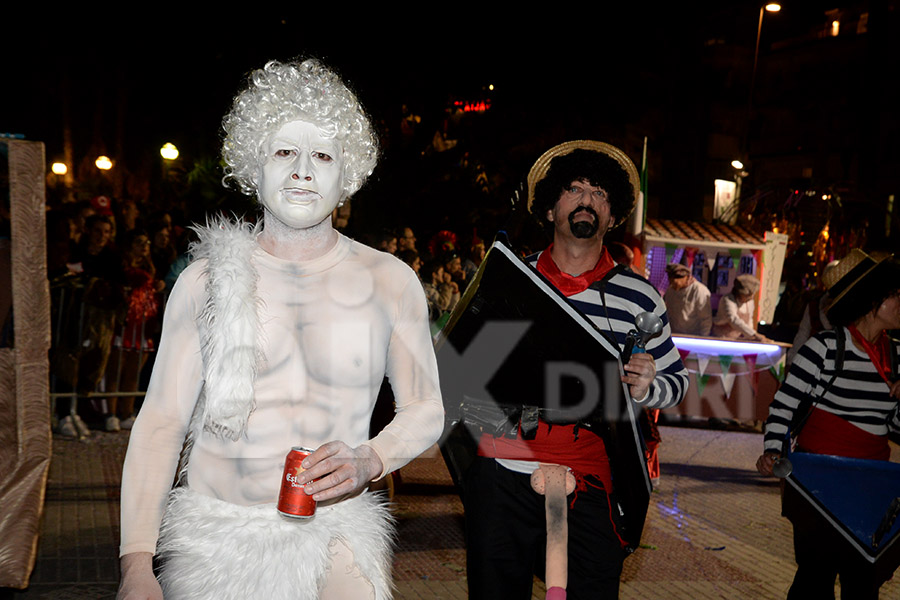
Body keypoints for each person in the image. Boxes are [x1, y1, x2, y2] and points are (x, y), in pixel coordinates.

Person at [117, 59, 444, 600]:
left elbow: (426, 407)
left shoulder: (390, 281)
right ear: (255, 164)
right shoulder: (205, 282)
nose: (302, 170)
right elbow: (159, 426)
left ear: (348, 172)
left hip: (336, 534)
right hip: (214, 545)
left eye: (322, 154)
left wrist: (371, 458)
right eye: (283, 151)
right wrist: (135, 564)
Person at [464, 141, 688, 599]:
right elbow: (469, 375)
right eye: (574, 188)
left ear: (612, 216)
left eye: (600, 194)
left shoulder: (640, 297)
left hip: (591, 467)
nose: (587, 199)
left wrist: (649, 386)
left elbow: (677, 382)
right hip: (506, 457)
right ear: (548, 210)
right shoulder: (512, 282)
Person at [756, 249, 900, 599]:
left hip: (871, 486)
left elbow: (894, 428)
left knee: (863, 582)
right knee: (815, 580)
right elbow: (783, 406)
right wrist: (773, 450)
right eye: (896, 294)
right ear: (873, 301)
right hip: (818, 483)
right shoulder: (824, 348)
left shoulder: (896, 355)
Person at [711, 273, 767, 341]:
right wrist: (754, 334)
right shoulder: (727, 299)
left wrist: (751, 337)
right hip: (721, 338)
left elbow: (749, 321)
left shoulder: (750, 302)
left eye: (752, 295)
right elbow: (733, 319)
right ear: (739, 293)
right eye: (747, 295)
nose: (751, 298)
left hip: (737, 339)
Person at [663, 263, 712, 336]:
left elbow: (706, 319)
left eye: (677, 278)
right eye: (671, 278)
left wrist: (703, 338)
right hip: (674, 335)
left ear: (686, 277)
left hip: (693, 336)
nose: (674, 282)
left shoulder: (699, 290)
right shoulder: (670, 290)